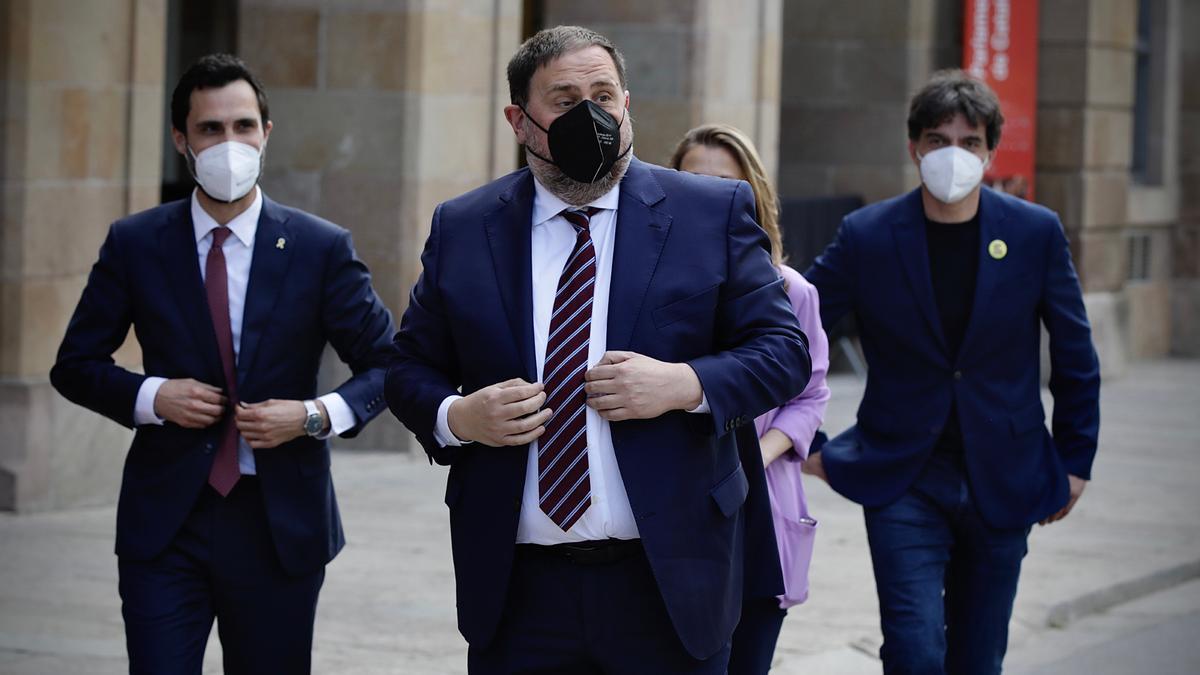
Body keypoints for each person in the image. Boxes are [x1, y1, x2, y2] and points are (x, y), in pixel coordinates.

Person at [386, 25, 811, 674]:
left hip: (669, 580)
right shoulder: (465, 227)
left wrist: (685, 383)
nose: (590, 114)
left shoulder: (710, 212)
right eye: (563, 98)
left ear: (627, 105)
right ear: (519, 120)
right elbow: (408, 368)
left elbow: (784, 352)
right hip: (517, 589)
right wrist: (459, 416)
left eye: (603, 95)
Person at [50, 53, 396, 674]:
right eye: (210, 129)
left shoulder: (320, 248)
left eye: (242, 126)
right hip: (166, 525)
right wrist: (153, 396)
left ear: (266, 132)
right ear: (181, 139)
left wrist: (315, 415)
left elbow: (389, 365)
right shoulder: (136, 243)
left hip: (278, 527)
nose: (229, 143)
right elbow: (73, 364)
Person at [803, 69, 1101, 674]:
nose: (953, 155)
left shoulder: (1034, 232)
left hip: (1005, 475)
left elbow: (1074, 351)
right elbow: (795, 334)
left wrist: (1075, 461)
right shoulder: (868, 235)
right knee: (914, 650)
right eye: (939, 140)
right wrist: (804, 443)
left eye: (969, 142)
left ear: (990, 151)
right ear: (914, 147)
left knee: (978, 655)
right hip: (903, 475)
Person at [671, 124, 830, 675]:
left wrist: (754, 456)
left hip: (761, 507)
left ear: (752, 198)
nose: (710, 198)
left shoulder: (792, 292)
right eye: (694, 183)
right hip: (673, 516)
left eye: (726, 185)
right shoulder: (648, 298)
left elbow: (810, 394)